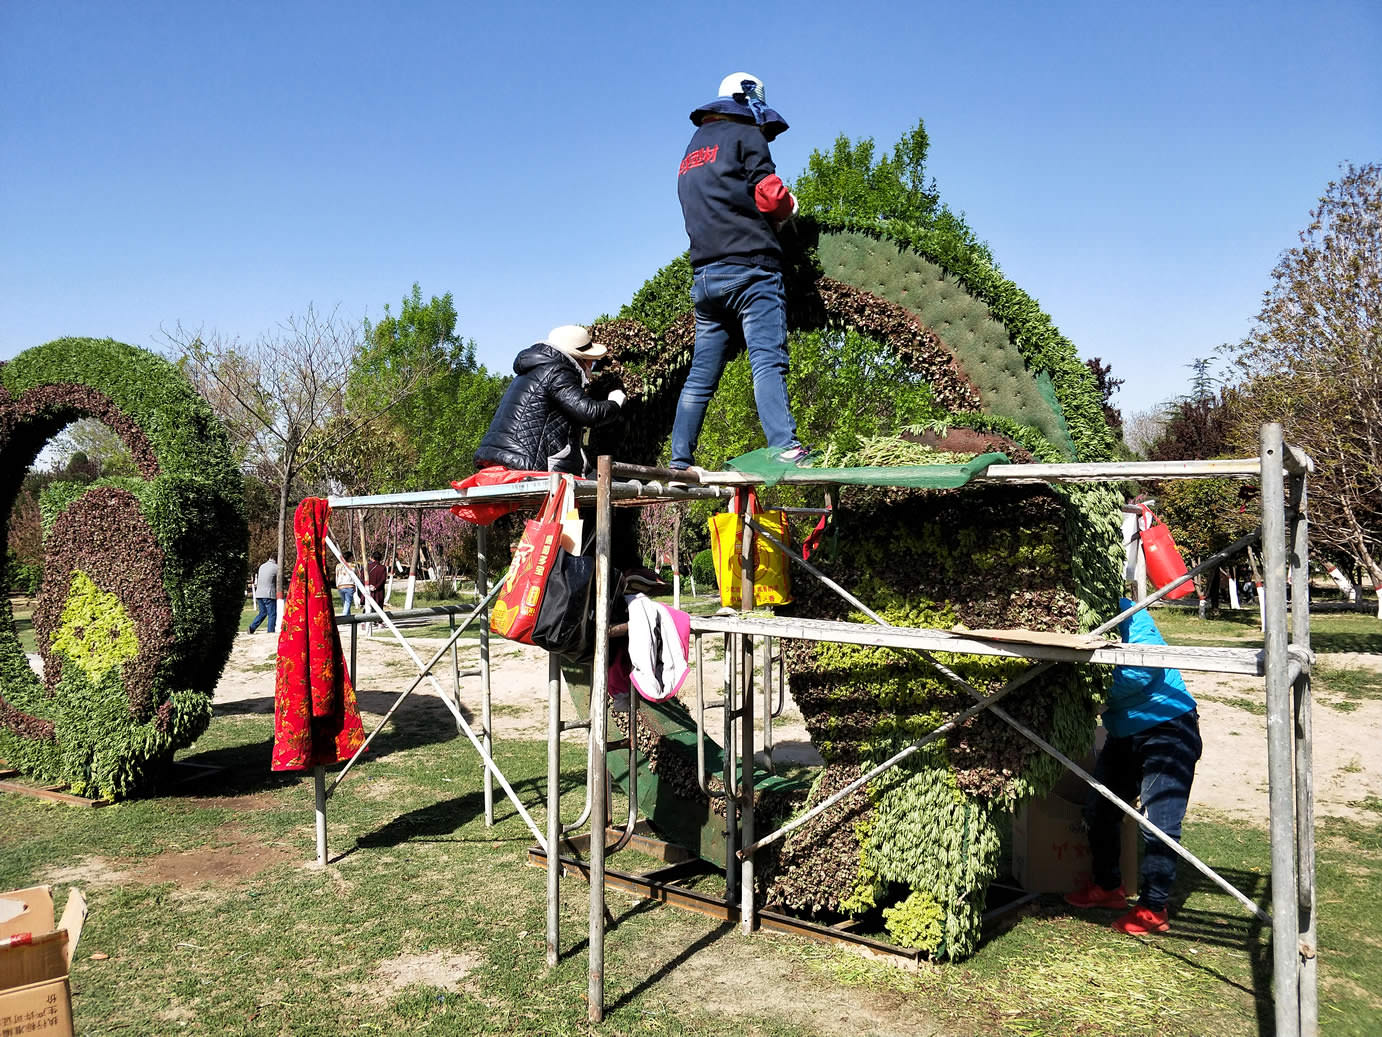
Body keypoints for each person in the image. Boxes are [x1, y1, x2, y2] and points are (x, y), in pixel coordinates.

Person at [670, 72, 812, 474]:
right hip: (752, 269)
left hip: (705, 277)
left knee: (700, 376)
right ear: (751, 104)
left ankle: (680, 462)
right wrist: (791, 208)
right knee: (768, 361)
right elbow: (770, 196)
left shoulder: (692, 149)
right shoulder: (747, 135)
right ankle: (785, 447)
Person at [1065, 598, 1202, 934]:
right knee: (1099, 808)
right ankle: (1108, 887)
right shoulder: (1071, 614)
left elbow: (1145, 665)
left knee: (1158, 821)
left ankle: (1155, 908)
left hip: (1167, 725)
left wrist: (1093, 689)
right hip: (1124, 731)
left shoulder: (1126, 611)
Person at [474, 325, 626, 475]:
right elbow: (588, 412)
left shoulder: (530, 371)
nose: (591, 370)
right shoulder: (558, 371)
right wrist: (615, 402)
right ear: (579, 359)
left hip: (498, 461)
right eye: (590, 362)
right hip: (529, 465)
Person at [247, 555, 279, 634]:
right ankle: (270, 631)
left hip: (259, 593)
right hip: (268, 594)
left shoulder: (262, 566)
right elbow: (279, 579)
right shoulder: (276, 567)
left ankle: (252, 627)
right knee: (272, 614)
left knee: (263, 613)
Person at [335, 550, 358, 615]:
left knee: (345, 603)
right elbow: (355, 576)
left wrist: (337, 585)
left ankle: (348, 617)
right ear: (350, 557)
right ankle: (344, 617)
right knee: (347, 602)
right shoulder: (353, 565)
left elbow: (336, 575)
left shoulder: (338, 565)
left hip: (340, 586)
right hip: (349, 585)